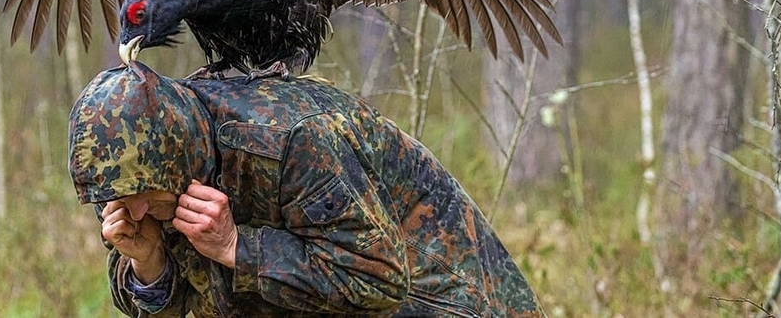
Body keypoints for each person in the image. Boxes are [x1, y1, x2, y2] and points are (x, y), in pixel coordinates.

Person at [69, 62, 544, 318]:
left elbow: (377, 283)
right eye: (114, 197)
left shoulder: (292, 138)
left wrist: (238, 248)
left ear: (181, 159)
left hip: (438, 300)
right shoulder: (132, 182)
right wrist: (148, 266)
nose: (131, 209)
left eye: (145, 193)